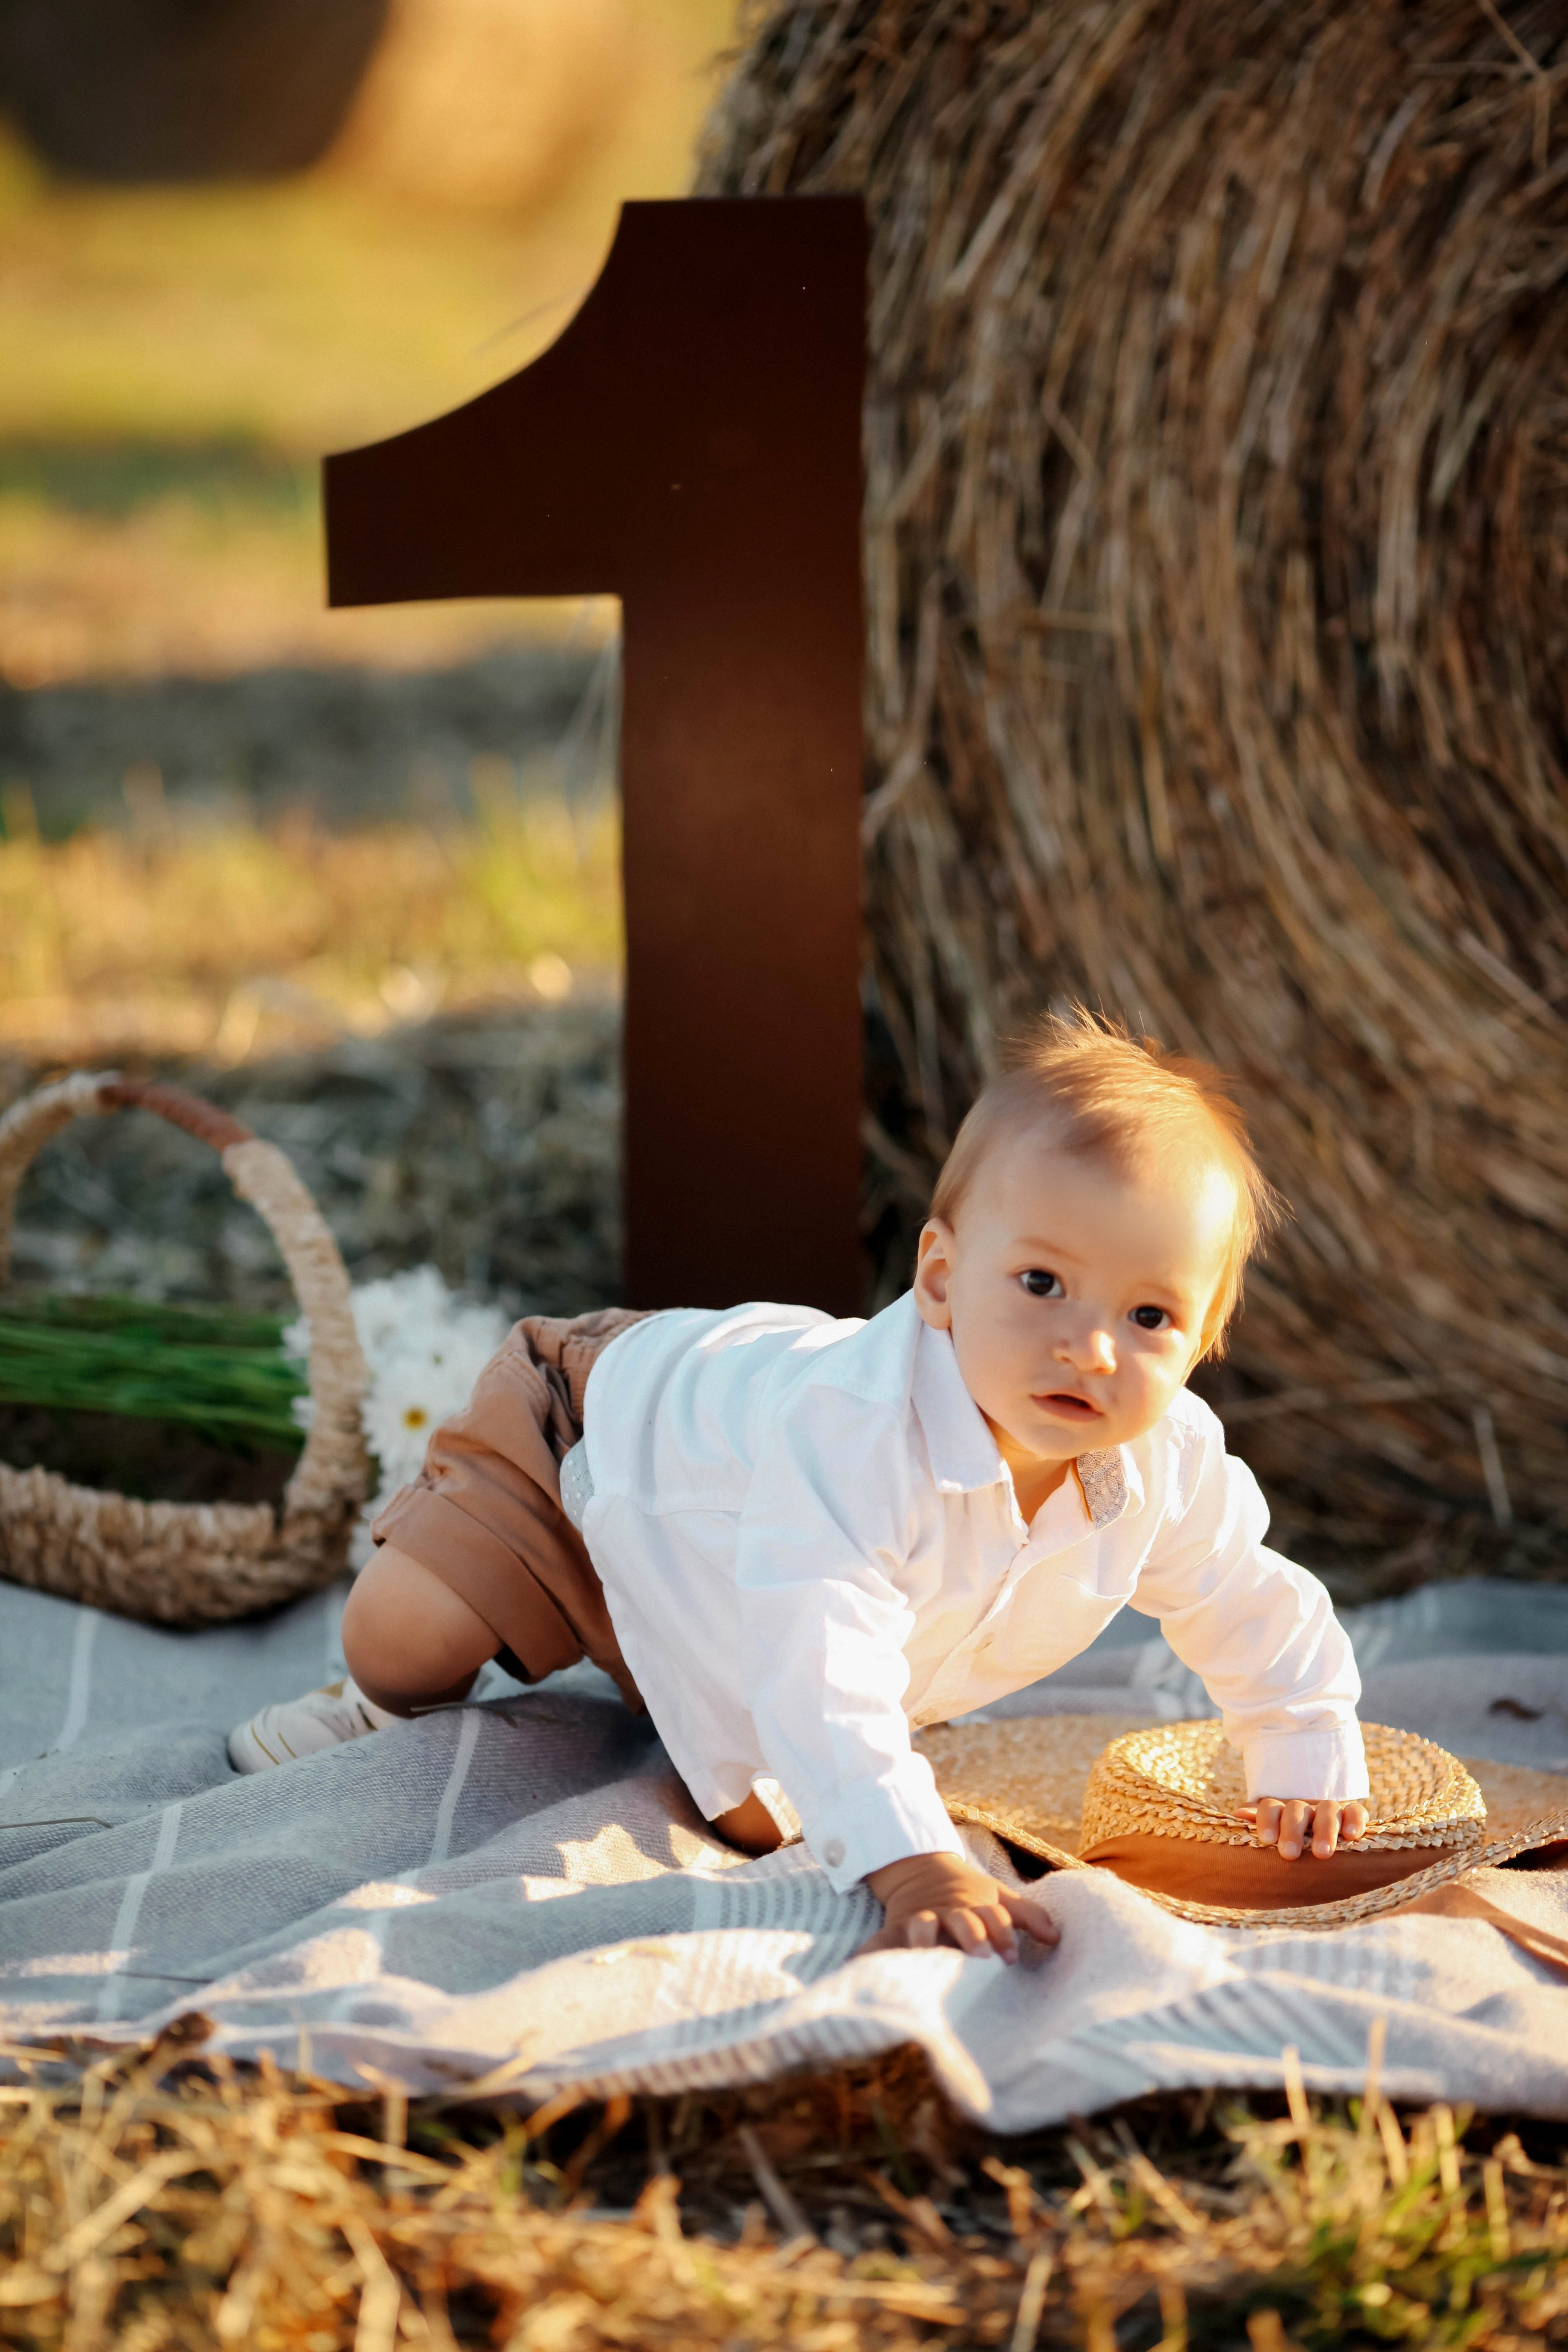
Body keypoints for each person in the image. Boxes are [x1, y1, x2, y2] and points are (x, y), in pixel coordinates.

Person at [231, 1011, 1370, 1960]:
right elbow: (824, 1652)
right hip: (591, 1441)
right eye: (1041, 1283)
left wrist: (1303, 1739)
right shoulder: (860, 1440)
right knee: (406, 1639)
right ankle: (369, 1701)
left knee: (759, 1805)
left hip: (723, 1560)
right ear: (940, 1276)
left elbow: (1244, 1593)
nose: (1092, 1348)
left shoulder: (1165, 1464)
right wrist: (912, 1861)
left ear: (1206, 1338)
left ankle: (669, 1669)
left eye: (1150, 1315)